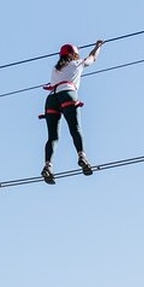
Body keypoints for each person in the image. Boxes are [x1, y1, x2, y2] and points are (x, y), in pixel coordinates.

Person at [40, 40, 104, 184]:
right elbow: (93, 58)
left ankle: (48, 165)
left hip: (51, 98)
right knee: (75, 129)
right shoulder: (78, 63)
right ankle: (82, 156)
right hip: (67, 93)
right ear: (74, 55)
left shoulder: (55, 69)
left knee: (53, 137)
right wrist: (98, 47)